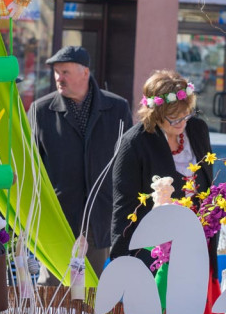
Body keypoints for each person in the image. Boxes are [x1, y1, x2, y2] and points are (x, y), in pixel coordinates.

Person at [29, 45, 132, 281]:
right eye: (56, 72)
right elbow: (31, 165)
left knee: (90, 293)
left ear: (84, 72)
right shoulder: (41, 111)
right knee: (52, 289)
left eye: (65, 72)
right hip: (57, 219)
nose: (58, 78)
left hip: (99, 220)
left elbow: (127, 165)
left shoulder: (117, 109)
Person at [111, 71, 214, 270]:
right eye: (174, 118)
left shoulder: (197, 129)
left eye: (187, 114)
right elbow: (123, 207)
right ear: (155, 113)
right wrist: (122, 263)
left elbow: (207, 187)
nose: (182, 123)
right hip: (154, 254)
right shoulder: (134, 143)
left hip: (197, 247)